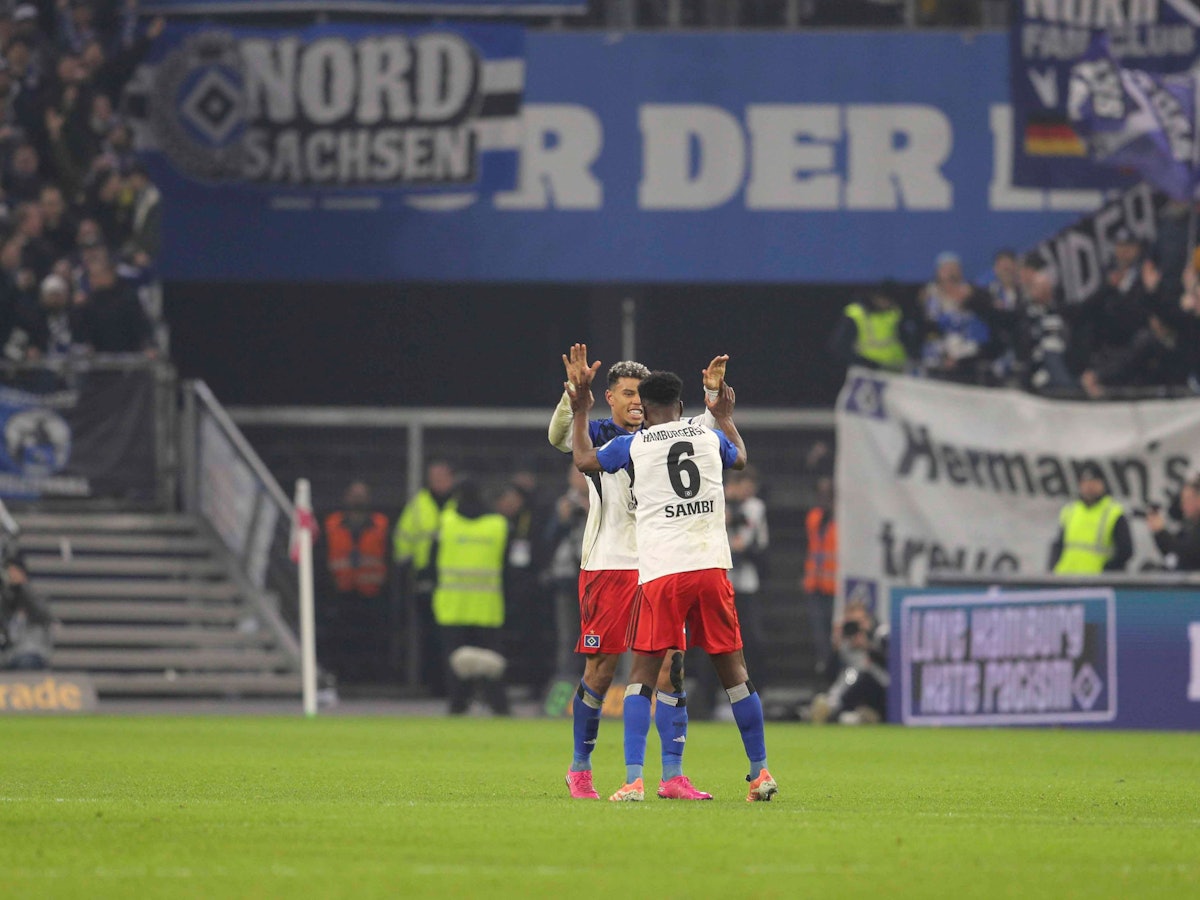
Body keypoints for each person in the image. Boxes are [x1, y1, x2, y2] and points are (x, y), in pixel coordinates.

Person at [570, 366, 778, 803]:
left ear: (643, 410)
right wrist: (722, 415)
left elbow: (584, 460)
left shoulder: (634, 443)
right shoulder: (706, 437)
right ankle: (760, 773)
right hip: (711, 566)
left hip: (662, 573)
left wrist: (579, 411)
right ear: (681, 407)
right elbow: (739, 457)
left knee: (642, 675)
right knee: (735, 673)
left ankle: (634, 779)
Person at [548, 345, 725, 801]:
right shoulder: (601, 433)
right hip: (609, 566)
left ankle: (672, 775)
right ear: (610, 397)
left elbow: (710, 431)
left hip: (660, 566)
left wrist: (712, 393)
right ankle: (581, 768)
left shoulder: (664, 436)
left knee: (671, 669)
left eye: (640, 395)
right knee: (603, 670)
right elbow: (559, 438)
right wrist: (574, 397)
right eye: (626, 393)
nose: (634, 402)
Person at [431, 478, 510, 715]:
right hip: (487, 606)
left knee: (457, 664)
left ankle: (457, 705)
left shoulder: (446, 523)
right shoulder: (498, 525)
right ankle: (498, 706)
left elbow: (431, 562)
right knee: (491, 663)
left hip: (452, 606)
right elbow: (508, 567)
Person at [393, 459, 455, 696]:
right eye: (434, 477)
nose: (437, 482)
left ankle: (452, 686)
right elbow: (402, 540)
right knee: (429, 636)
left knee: (450, 637)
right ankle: (434, 684)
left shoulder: (459, 504)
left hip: (453, 582)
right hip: (425, 579)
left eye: (442, 477)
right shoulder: (419, 504)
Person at [321, 480, 390, 684]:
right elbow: (324, 557)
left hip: (372, 592)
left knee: (370, 640)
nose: (358, 499)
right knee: (340, 639)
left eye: (362, 494)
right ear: (346, 497)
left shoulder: (381, 523)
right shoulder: (332, 523)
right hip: (341, 592)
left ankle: (369, 677)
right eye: (354, 494)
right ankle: (341, 676)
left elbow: (388, 557)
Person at [809, 601, 887, 725]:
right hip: (853, 689)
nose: (856, 628)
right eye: (852, 622)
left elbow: (891, 664)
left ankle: (831, 705)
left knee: (855, 673)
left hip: (881, 686)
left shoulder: (880, 636)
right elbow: (830, 675)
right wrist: (836, 647)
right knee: (850, 674)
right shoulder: (846, 643)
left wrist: (868, 647)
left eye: (859, 622)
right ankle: (854, 714)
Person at [1048, 463, 1133, 574]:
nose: (1089, 486)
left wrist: (1107, 572)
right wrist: (1053, 567)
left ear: (1102, 484)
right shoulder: (1070, 510)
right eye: (1085, 482)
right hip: (1066, 578)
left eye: (1094, 482)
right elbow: (1059, 544)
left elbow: (1125, 551)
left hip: (1096, 582)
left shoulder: (1113, 512)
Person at [827, 283, 913, 373]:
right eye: (884, 299)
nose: (887, 303)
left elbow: (904, 338)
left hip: (896, 367)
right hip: (867, 372)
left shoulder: (894, 312)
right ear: (874, 297)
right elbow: (839, 347)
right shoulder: (856, 314)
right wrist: (867, 364)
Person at [801, 475, 837, 674]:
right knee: (819, 635)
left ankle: (832, 668)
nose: (824, 498)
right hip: (815, 585)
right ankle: (824, 667)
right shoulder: (814, 518)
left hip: (834, 587)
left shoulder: (842, 522)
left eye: (828, 495)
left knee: (833, 635)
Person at [1146, 473, 1200, 571]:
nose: (1183, 506)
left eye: (1187, 499)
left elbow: (1185, 556)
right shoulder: (1189, 527)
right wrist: (1159, 533)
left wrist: (1161, 533)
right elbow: (1173, 555)